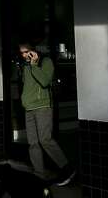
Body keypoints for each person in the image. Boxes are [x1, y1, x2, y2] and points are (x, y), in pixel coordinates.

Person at [18, 42, 75, 186]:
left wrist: (34, 65)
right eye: (21, 53)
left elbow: (44, 81)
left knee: (45, 140)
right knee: (33, 144)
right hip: (29, 109)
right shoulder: (24, 66)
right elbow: (27, 87)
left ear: (33, 51)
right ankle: (39, 175)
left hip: (42, 107)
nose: (24, 55)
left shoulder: (46, 61)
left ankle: (67, 168)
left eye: (26, 52)